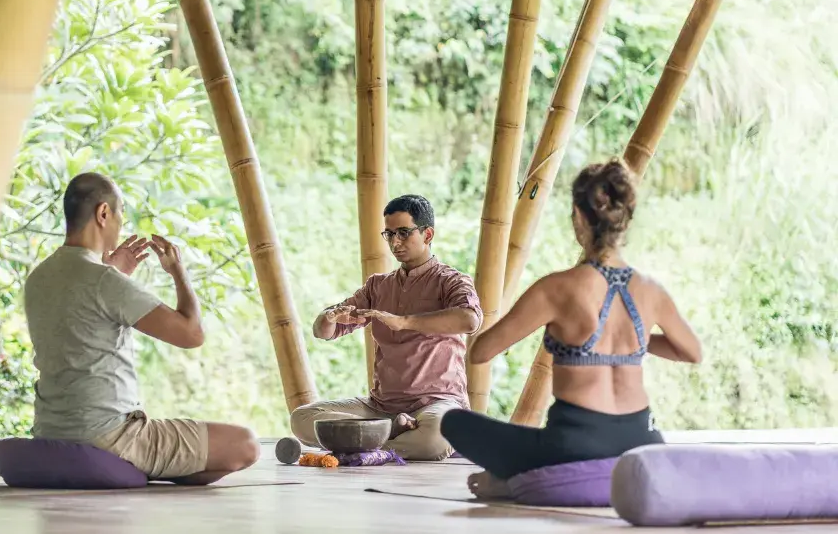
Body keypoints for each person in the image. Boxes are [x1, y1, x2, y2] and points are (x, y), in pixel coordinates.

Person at [440, 160, 703, 498]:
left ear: (579, 216)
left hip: (573, 444)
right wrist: (631, 341)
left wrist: (554, 330)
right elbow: (691, 352)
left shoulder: (557, 288)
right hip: (641, 439)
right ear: (626, 218)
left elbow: (481, 352)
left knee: (453, 422)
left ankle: (518, 482)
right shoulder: (650, 289)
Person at [24, 172, 259, 485]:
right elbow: (191, 335)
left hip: (51, 431)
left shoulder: (39, 278)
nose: (122, 222)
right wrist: (178, 271)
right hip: (111, 436)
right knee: (245, 444)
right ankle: (137, 467)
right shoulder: (104, 281)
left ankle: (140, 471)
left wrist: (112, 272)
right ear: (103, 213)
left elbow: (80, 318)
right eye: (121, 212)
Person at [290, 194, 482, 461]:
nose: (395, 242)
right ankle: (390, 432)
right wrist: (328, 318)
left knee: (433, 441)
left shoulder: (451, 281)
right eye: (389, 234)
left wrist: (405, 322)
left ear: (428, 234)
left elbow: (470, 319)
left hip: (436, 405)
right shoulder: (378, 285)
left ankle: (361, 446)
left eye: (403, 233)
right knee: (302, 418)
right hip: (381, 408)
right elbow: (324, 331)